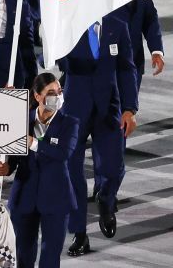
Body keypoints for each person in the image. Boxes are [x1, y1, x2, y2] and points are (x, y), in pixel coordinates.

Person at [57, 15, 137, 256]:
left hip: (109, 108)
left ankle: (106, 199)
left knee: (114, 166)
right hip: (74, 109)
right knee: (72, 174)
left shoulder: (118, 26)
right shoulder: (67, 23)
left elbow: (126, 67)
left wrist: (130, 108)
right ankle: (80, 234)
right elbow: (57, 61)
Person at [0, 73, 79, 268]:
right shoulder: (20, 120)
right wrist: (4, 168)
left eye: (59, 92)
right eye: (50, 93)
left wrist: (33, 143)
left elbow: (63, 153)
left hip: (57, 198)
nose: (57, 97)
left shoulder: (70, 123)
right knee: (21, 255)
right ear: (37, 96)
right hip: (25, 195)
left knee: (50, 257)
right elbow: (12, 158)